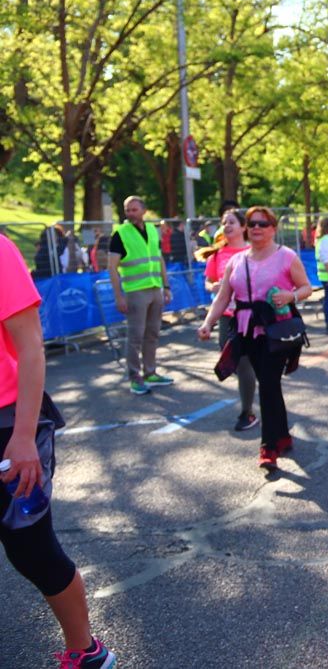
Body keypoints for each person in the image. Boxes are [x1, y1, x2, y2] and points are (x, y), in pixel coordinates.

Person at [1, 232, 117, 668]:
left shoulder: (0, 251)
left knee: (31, 550)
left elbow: (31, 347)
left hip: (8, 427)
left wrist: (25, 436)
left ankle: (85, 650)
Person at [198, 206, 312, 470]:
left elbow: (306, 287)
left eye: (263, 223)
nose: (257, 228)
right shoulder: (237, 261)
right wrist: (207, 323)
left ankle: (268, 447)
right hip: (245, 331)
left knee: (269, 385)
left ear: (273, 228)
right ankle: (282, 435)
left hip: (275, 332)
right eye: (252, 224)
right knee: (268, 385)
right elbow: (223, 297)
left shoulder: (287, 256)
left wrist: (290, 296)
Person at [198, 209, 258, 431]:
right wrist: (212, 287)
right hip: (226, 316)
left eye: (232, 222)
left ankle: (247, 412)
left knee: (243, 363)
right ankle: (249, 381)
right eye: (224, 223)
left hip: (250, 316)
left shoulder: (253, 252)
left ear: (244, 227)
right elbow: (209, 282)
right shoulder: (218, 255)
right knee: (229, 355)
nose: (227, 226)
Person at [107, 196, 173, 396]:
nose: (130, 213)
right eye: (127, 210)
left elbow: (159, 259)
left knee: (152, 333)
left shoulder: (153, 230)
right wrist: (119, 296)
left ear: (143, 210)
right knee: (135, 337)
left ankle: (150, 372)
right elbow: (112, 267)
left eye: (134, 209)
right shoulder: (120, 233)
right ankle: (135, 378)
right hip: (135, 291)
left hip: (155, 289)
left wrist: (166, 285)